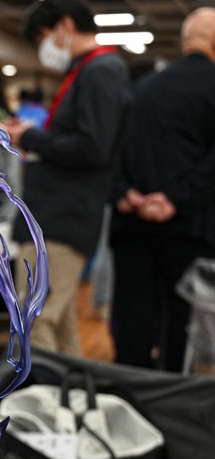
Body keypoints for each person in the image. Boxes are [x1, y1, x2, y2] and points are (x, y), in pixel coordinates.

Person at [4, 0, 130, 356]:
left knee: (35, 318)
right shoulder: (91, 71)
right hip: (55, 215)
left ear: (65, 26)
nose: (43, 48)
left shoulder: (100, 71)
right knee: (59, 324)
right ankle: (69, 388)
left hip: (62, 219)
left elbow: (93, 147)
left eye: (43, 37)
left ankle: (40, 390)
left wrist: (30, 137)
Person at [109, 7, 215, 372]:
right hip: (189, 229)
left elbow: (112, 150)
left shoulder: (142, 88)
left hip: (132, 222)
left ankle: (127, 392)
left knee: (132, 319)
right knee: (182, 323)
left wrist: (126, 194)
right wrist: (175, 200)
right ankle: (170, 397)